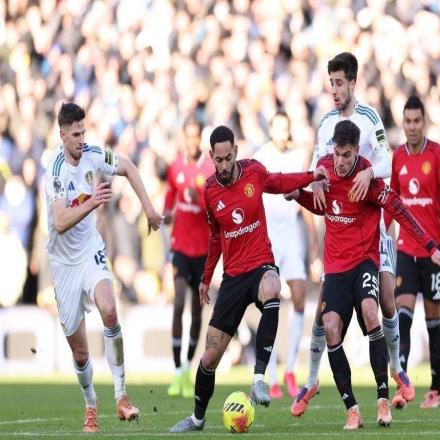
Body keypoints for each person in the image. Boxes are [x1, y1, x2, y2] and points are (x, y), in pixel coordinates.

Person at [288, 120, 440, 430]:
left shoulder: (369, 179)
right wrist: (298, 193)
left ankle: (383, 399)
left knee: (372, 310)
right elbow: (322, 206)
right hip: (335, 267)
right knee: (329, 327)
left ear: (357, 151)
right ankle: (351, 408)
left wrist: (431, 247)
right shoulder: (325, 169)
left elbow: (400, 210)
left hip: (365, 260)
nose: (340, 161)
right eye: (337, 154)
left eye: (347, 155)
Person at [169, 125, 329, 433]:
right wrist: (206, 277)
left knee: (273, 287)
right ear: (211, 157)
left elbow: (280, 181)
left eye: (228, 158)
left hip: (260, 265)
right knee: (210, 357)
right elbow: (215, 237)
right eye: (218, 160)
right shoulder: (210, 190)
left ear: (235, 152)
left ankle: (258, 379)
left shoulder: (254, 172)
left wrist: (311, 176)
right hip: (232, 277)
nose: (224, 165)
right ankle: (197, 419)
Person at [292, 52, 414, 417]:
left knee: (387, 299)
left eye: (339, 83)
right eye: (330, 83)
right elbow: (316, 165)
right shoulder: (326, 123)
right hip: (339, 229)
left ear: (353, 83)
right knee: (323, 313)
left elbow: (390, 161)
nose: (334, 89)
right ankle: (311, 379)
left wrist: (369, 172)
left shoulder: (369, 117)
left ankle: (397, 369)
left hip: (373, 227)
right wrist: (314, 181)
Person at [44, 102, 162, 433]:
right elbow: (60, 221)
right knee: (80, 352)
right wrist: (92, 202)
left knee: (110, 310)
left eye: (84, 132)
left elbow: (129, 167)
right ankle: (91, 404)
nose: (82, 139)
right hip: (63, 264)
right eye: (76, 134)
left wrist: (149, 208)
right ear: (62, 135)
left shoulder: (94, 155)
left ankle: (121, 396)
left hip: (90, 251)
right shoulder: (55, 170)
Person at [385, 96, 440, 409]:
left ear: (424, 122)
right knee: (402, 318)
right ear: (403, 123)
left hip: (432, 255)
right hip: (405, 250)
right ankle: (403, 386)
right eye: (408, 121)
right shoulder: (398, 157)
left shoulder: (436, 154)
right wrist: (381, 236)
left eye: (417, 121)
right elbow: (391, 202)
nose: (412, 126)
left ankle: (435, 390)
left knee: (432, 322)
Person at [253, 110, 319, 399]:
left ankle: (290, 369)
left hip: (292, 237)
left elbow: (304, 200)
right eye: (277, 129)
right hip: (269, 239)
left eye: (285, 129)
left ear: (289, 130)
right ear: (271, 130)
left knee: (300, 297)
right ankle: (271, 376)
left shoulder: (297, 157)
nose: (281, 134)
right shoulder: (260, 157)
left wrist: (313, 242)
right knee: (270, 303)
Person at [163, 114, 214, 398]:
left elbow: (215, 210)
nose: (192, 142)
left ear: (200, 138)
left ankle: (187, 366)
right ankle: (176, 370)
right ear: (184, 137)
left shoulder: (209, 169)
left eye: (196, 136)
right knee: (179, 300)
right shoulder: (175, 168)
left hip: (202, 251)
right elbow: (170, 196)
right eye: (188, 136)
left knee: (196, 311)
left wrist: (201, 201)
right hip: (180, 247)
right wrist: (167, 213)